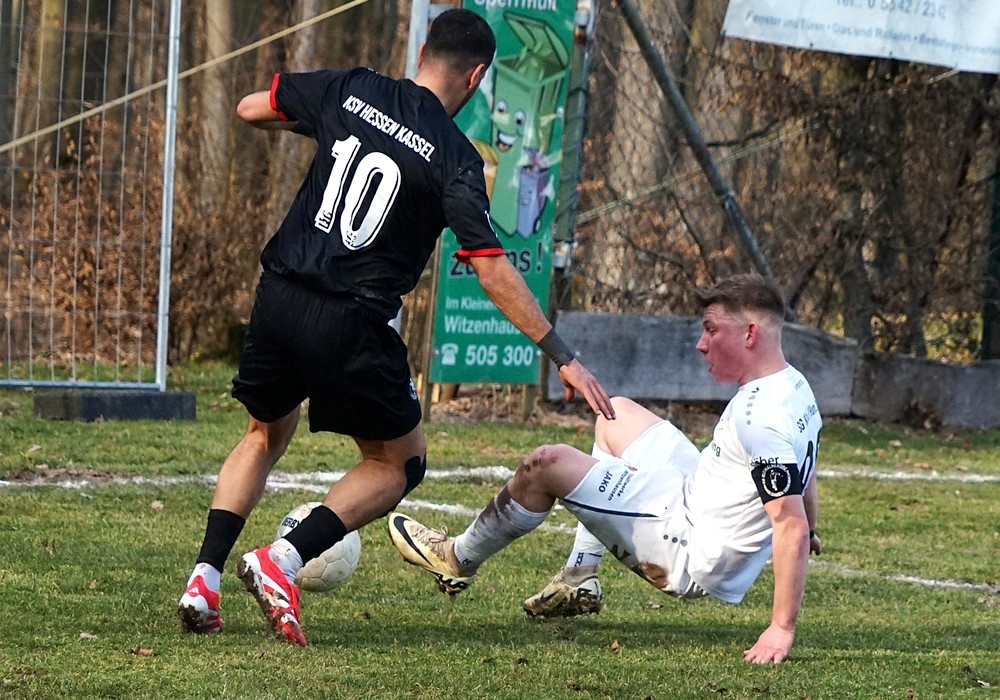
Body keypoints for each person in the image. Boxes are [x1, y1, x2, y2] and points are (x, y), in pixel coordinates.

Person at [176, 8, 614, 648]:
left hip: (280, 293)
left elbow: (249, 109)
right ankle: (283, 559)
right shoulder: (456, 156)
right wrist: (562, 354)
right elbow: (491, 269)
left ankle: (203, 579)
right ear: (477, 77)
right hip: (350, 319)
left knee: (263, 434)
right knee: (397, 464)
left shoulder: (351, 87)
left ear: (422, 51)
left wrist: (326, 122)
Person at [389, 273, 823, 664]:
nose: (701, 343)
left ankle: (457, 559)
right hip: (691, 496)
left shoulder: (758, 418)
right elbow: (804, 472)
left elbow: (790, 526)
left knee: (546, 464)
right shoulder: (793, 386)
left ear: (750, 333)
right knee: (614, 413)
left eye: (711, 329)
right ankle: (580, 573)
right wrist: (813, 525)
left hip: (688, 550)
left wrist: (780, 628)